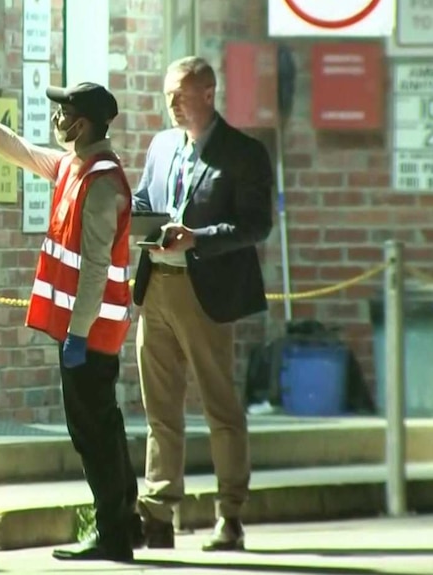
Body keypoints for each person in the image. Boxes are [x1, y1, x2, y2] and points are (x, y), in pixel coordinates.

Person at [0, 81, 142, 562]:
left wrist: (78, 335)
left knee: (92, 433)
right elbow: (15, 149)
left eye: (63, 113)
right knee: (104, 425)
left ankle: (113, 533)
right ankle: (126, 522)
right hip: (87, 331)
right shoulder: (74, 167)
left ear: (80, 124)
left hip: (91, 333)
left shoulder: (100, 181)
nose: (56, 120)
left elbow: (96, 269)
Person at [131, 55, 274, 552]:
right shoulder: (162, 145)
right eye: (167, 93)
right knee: (159, 408)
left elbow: (257, 225)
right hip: (157, 288)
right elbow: (146, 201)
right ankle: (158, 513)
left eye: (180, 94)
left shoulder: (243, 153)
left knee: (220, 405)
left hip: (206, 291)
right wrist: (136, 222)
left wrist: (197, 238)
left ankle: (230, 514)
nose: (170, 103)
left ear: (208, 94)